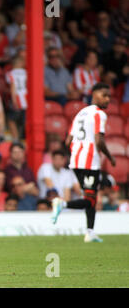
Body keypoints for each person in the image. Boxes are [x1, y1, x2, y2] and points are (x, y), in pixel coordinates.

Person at [51, 83, 116, 243]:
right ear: (94, 95)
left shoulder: (80, 113)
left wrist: (77, 153)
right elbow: (99, 141)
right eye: (104, 95)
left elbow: (68, 141)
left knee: (90, 195)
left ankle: (90, 232)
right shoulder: (99, 114)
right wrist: (110, 157)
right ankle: (62, 204)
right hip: (89, 162)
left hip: (76, 161)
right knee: (91, 199)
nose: (107, 99)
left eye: (109, 96)